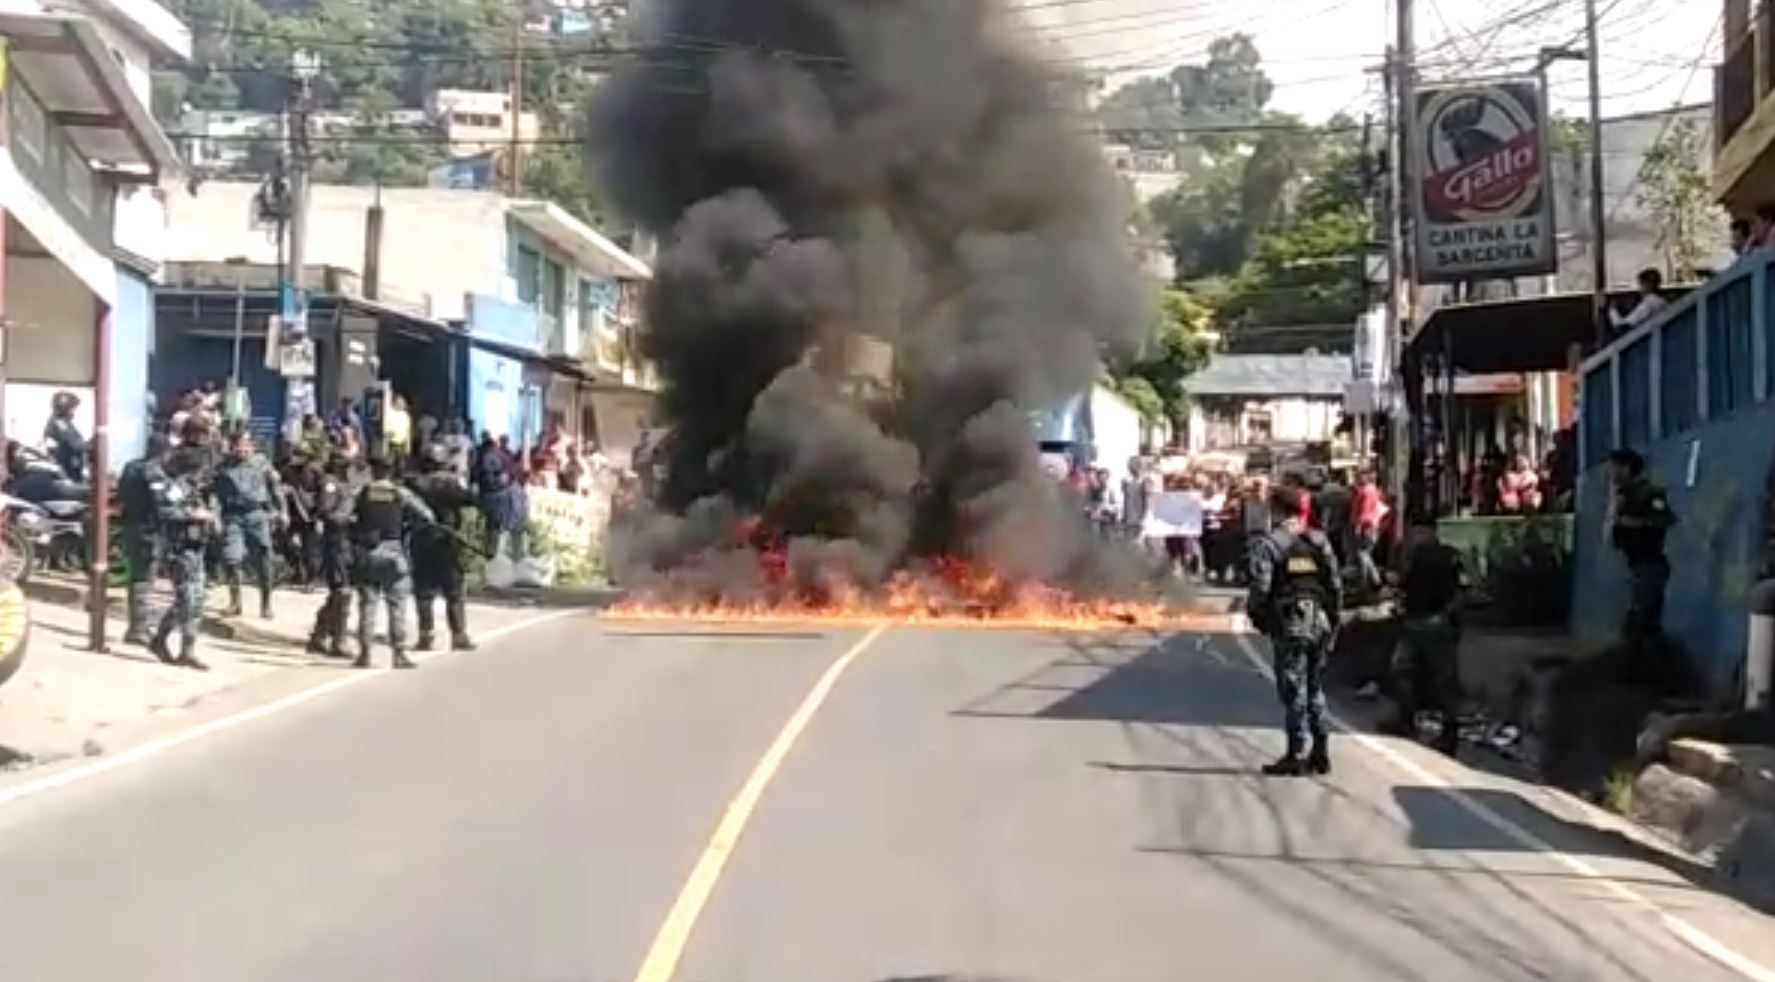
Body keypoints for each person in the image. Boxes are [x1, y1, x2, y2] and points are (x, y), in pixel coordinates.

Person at [1246, 485, 1343, 776]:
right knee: (1314, 685)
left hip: (1291, 622)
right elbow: (1335, 584)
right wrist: (1334, 619)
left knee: (1294, 688)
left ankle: (1296, 752)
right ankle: (1321, 750)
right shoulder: (1318, 540)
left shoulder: (1271, 544)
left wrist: (1260, 617)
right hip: (1320, 620)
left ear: (1276, 510)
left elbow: (1260, 589)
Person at [1384, 513, 1469, 757]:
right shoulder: (1414, 557)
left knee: (1444, 681)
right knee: (1402, 670)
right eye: (1415, 532)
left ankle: (1449, 733)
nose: (1417, 537)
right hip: (1415, 622)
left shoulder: (1448, 556)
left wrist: (1445, 615)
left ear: (1432, 532)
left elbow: (1462, 590)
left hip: (1435, 625)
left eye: (1421, 532)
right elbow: (1407, 586)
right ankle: (1407, 720)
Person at [349, 453, 435, 670]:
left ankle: (365, 653)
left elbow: (346, 515)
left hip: (366, 555)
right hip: (393, 553)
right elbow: (427, 516)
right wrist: (407, 525)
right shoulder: (400, 493)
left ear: (372, 471)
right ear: (391, 471)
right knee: (397, 604)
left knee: (368, 604)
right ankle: (398, 653)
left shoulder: (361, 492)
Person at [149, 444, 218, 670]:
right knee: (186, 600)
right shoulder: (175, 487)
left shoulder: (196, 489)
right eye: (201, 469)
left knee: (196, 600)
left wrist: (211, 519)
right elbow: (165, 512)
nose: (204, 473)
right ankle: (163, 640)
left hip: (196, 548)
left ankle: (186, 649)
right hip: (178, 550)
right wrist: (193, 515)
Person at [1607, 448, 1677, 668]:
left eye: (1616, 468)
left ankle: (1644, 674)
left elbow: (1661, 522)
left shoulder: (1650, 493)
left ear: (1628, 468)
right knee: (1645, 624)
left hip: (1650, 564)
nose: (1612, 474)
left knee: (1639, 620)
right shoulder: (1623, 496)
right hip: (1636, 565)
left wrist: (1629, 523)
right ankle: (1652, 672)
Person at [409, 444, 478, 651]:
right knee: (454, 591)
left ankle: (426, 635)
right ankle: (458, 635)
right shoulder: (449, 483)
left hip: (421, 540)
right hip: (447, 541)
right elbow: (470, 500)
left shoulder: (415, 483)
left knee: (424, 591)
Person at [214, 430, 281, 619]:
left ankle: (266, 604)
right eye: (238, 446)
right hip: (232, 516)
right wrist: (215, 516)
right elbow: (215, 495)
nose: (242, 450)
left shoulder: (261, 462)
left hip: (256, 515)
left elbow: (275, 487)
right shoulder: (222, 467)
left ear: (252, 447)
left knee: (264, 559)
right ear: (232, 447)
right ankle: (235, 602)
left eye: (246, 445)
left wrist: (281, 510)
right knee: (232, 559)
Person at [117, 434, 170, 645]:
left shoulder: (130, 466)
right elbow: (161, 502)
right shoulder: (153, 471)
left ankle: (138, 625)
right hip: (148, 529)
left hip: (131, 525)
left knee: (138, 576)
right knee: (144, 578)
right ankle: (138, 628)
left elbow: (121, 493)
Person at [306, 454, 359, 659]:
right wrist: (349, 518)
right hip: (334, 542)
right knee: (342, 592)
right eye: (344, 465)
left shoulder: (344, 484)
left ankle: (319, 636)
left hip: (346, 543)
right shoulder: (330, 484)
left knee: (340, 593)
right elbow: (326, 512)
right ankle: (339, 640)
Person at [43, 391, 88, 483]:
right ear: (64, 408)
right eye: (72, 408)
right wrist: (91, 445)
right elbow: (74, 444)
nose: (74, 412)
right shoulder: (59, 424)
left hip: (69, 471)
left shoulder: (64, 423)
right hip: (65, 474)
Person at [1608, 268, 1669, 335]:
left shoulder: (1649, 303)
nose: (1640, 290)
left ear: (1648, 285)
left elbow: (1623, 326)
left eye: (1641, 285)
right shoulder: (1663, 302)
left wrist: (1612, 310)